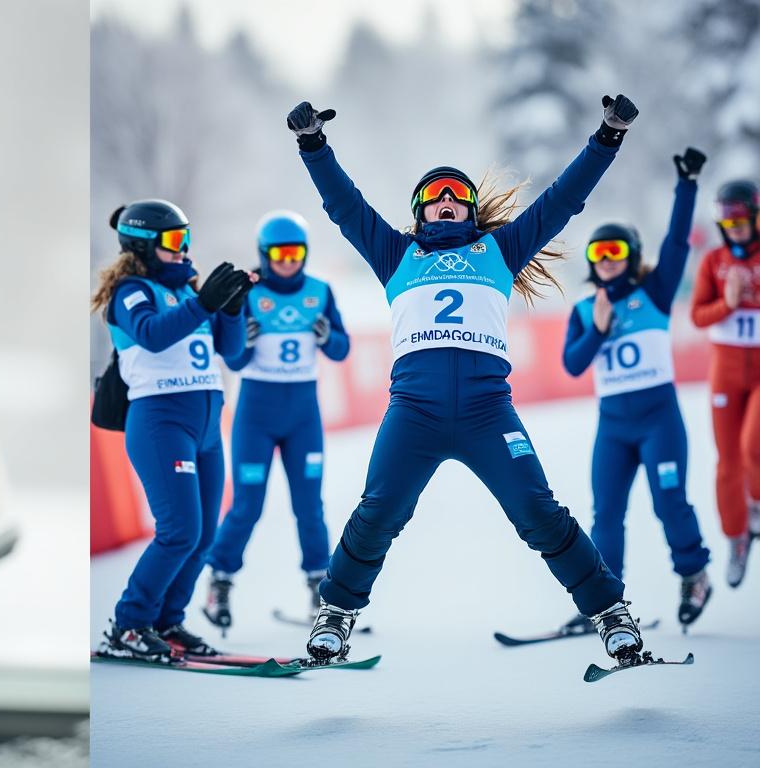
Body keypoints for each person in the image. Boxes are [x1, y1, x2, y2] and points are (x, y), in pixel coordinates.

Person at [284, 94, 650, 665]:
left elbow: (562, 201)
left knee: (539, 512)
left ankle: (610, 614)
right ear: (419, 212)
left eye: (459, 195)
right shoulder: (395, 254)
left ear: (474, 213)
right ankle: (335, 615)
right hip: (415, 413)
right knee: (378, 512)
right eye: (435, 195)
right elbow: (344, 207)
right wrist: (314, 146)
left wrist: (607, 136)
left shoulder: (499, 250)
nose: (448, 200)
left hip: (487, 413)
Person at [91, 199, 255, 660]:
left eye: (187, 239)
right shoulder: (131, 291)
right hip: (162, 422)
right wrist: (205, 302)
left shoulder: (187, 290)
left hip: (205, 422)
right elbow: (154, 333)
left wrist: (231, 308)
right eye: (173, 241)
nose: (184, 250)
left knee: (203, 535)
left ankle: (168, 620)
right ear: (143, 246)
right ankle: (129, 624)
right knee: (179, 530)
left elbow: (233, 352)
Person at [562, 148, 712, 631]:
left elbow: (676, 244)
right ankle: (606, 602)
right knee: (606, 512)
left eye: (616, 251)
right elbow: (572, 364)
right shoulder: (586, 310)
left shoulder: (656, 292)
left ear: (630, 256)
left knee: (669, 502)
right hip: (615, 426)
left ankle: (694, 575)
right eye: (598, 253)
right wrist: (598, 330)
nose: (606, 261)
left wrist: (686, 185)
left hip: (658, 418)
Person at [203, 210, 350, 632]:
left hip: (303, 412)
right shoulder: (247, 293)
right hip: (256, 412)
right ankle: (220, 582)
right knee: (248, 504)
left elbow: (342, 349)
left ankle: (320, 591)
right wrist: (243, 342)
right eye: (279, 254)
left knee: (309, 506)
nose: (288, 261)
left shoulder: (319, 291)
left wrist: (327, 337)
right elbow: (231, 357)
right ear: (264, 256)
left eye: (296, 253)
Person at [690, 178, 760, 587]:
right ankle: (736, 538)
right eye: (728, 225)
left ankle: (756, 504)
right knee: (727, 461)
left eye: (741, 223)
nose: (735, 232)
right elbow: (698, 315)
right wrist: (727, 304)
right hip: (726, 371)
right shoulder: (713, 261)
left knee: (753, 446)